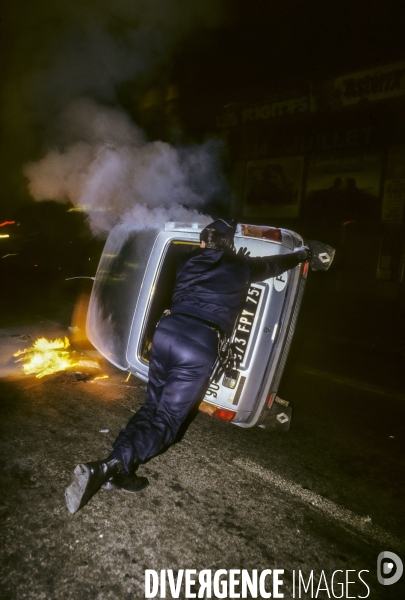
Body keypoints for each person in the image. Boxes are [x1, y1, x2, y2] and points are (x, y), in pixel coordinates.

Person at [65, 219, 311, 514]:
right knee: (167, 421)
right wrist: (300, 255)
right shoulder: (240, 267)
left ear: (204, 243)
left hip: (166, 333)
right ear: (228, 243)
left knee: (151, 407)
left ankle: (122, 471)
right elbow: (273, 265)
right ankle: (107, 467)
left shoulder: (186, 260)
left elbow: (207, 264)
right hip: (197, 344)